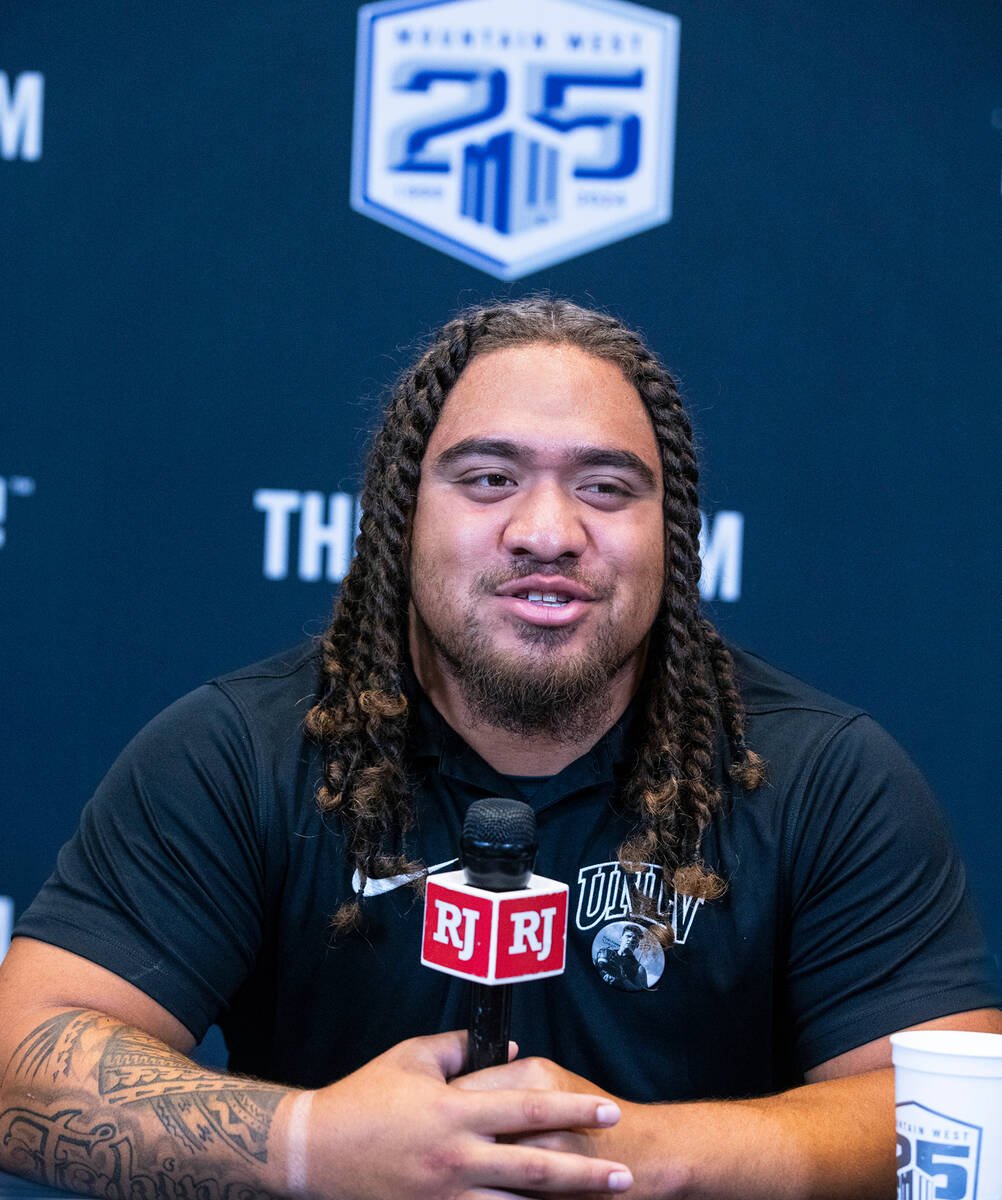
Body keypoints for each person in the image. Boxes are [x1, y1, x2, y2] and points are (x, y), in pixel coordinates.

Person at [0, 297, 999, 1200]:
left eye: (607, 489)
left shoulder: (825, 777)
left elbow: (955, 1115)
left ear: (673, 534)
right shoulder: (241, 751)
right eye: (488, 479)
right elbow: (19, 1062)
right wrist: (311, 1144)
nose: (548, 530)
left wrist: (633, 1157)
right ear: (404, 520)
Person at [595, 925, 649, 992]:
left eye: (635, 939)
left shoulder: (639, 969)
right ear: (620, 938)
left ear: (637, 945)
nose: (631, 940)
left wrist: (622, 978)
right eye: (628, 936)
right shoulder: (605, 954)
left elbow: (641, 994)